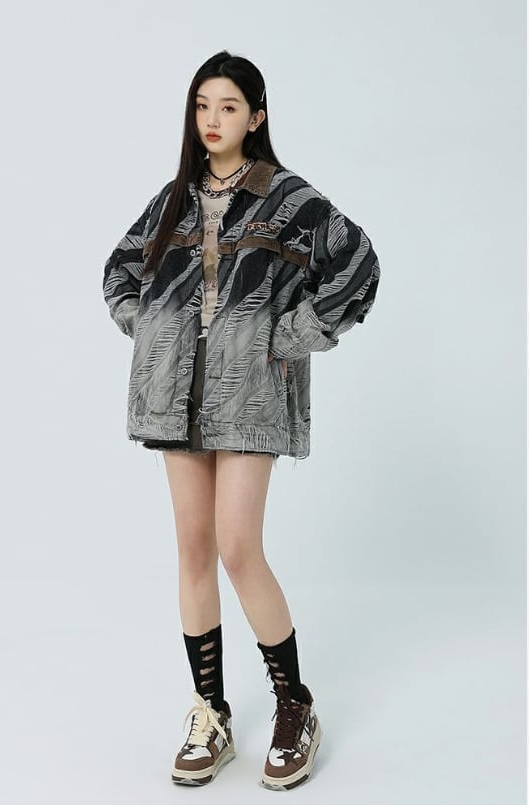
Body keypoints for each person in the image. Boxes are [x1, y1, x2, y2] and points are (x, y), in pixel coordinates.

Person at [102, 50, 380, 791]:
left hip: (250, 396)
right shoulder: (173, 199)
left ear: (255, 116)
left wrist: (289, 336)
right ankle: (211, 711)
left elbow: (358, 264)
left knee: (237, 546)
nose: (212, 120)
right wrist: (154, 333)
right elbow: (119, 273)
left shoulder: (289, 199)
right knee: (193, 549)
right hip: (174, 398)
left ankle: (294, 704)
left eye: (227, 106)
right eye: (201, 106)